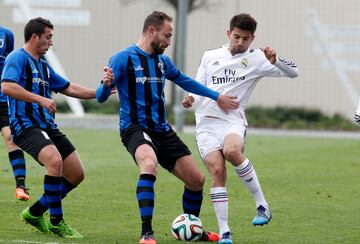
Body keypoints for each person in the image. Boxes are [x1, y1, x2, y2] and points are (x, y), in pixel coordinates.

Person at [96, 11, 239, 244]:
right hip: (134, 128)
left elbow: (185, 80)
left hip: (162, 130)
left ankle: (192, 228)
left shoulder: (163, 62)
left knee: (196, 180)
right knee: (149, 164)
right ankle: (147, 234)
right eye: (167, 35)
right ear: (152, 31)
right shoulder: (123, 58)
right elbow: (101, 96)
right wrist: (106, 85)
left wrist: (217, 96)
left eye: (171, 37)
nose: (169, 42)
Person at [182, 13, 299, 244]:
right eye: (236, 37)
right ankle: (225, 232)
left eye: (245, 39)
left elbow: (295, 71)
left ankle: (262, 205)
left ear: (252, 39)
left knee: (232, 152)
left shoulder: (258, 59)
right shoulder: (210, 56)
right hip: (205, 123)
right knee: (217, 172)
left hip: (232, 121)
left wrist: (275, 60)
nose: (240, 42)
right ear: (228, 33)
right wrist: (190, 99)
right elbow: (197, 85)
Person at [1, 17, 106, 238]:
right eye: (48, 37)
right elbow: (7, 86)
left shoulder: (43, 66)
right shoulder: (17, 57)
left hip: (47, 126)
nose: (51, 42)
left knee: (76, 174)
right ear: (34, 37)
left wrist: (102, 90)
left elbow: (69, 88)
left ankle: (35, 212)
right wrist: (40, 99)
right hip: (25, 125)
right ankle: (57, 222)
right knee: (55, 161)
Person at [0, 25, 30, 201]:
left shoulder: (6, 34)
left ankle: (20, 186)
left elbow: (10, 63)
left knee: (11, 138)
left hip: (4, 100)